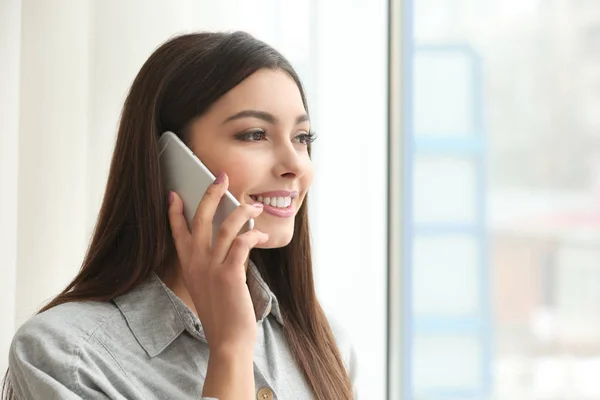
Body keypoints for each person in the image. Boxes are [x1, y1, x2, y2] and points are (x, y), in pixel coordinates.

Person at [1, 31, 357, 399]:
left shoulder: (325, 341)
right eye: (255, 134)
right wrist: (230, 350)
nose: (295, 165)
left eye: (302, 138)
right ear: (171, 160)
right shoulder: (65, 357)